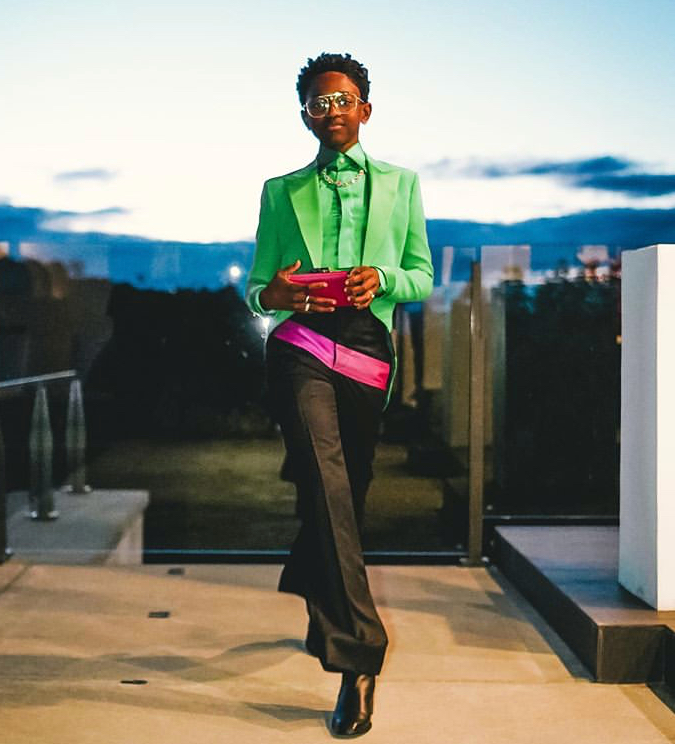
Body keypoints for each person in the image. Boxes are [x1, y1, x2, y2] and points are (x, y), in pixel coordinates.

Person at [245, 52, 433, 737]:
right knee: (326, 482)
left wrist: (382, 279)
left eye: (343, 99)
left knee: (345, 491)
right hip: (300, 344)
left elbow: (421, 275)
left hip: (366, 348)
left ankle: (312, 585)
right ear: (305, 116)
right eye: (319, 103)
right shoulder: (279, 191)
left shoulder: (402, 184)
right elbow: (257, 287)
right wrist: (276, 294)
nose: (332, 111)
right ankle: (358, 659)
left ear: (365, 109)